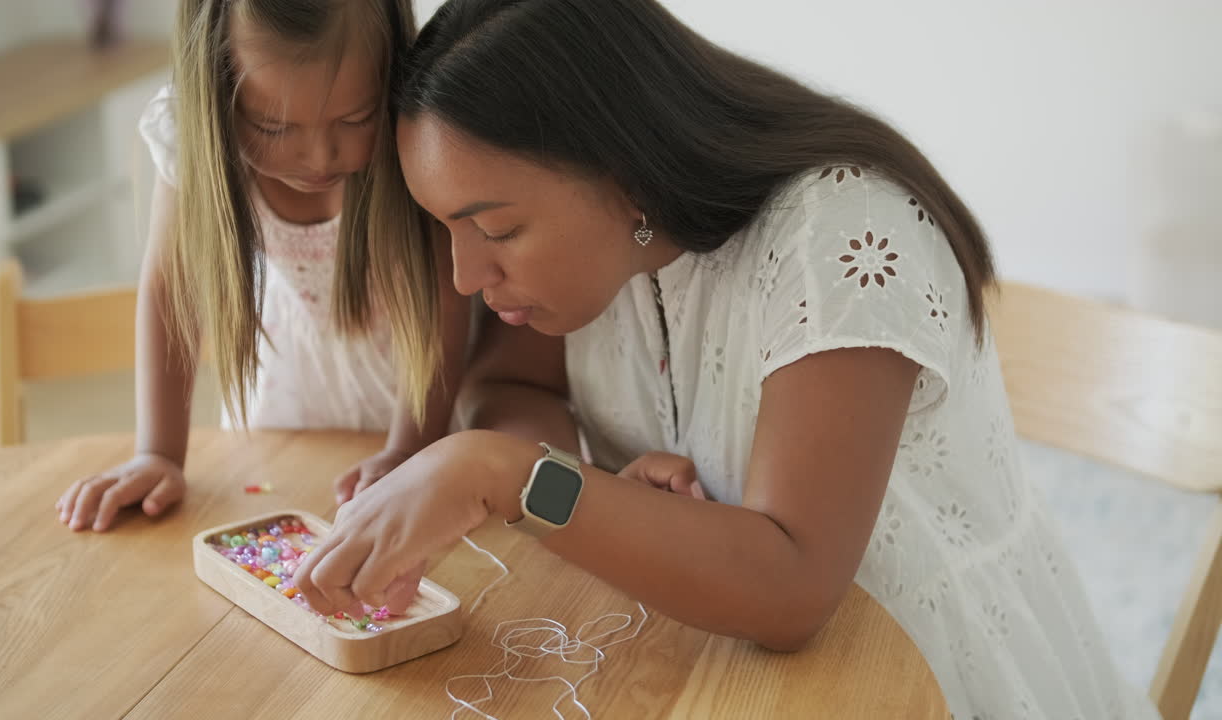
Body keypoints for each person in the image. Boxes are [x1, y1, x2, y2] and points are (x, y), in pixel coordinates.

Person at [295, 1, 1160, 717]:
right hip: (718, 662)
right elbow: (508, 384)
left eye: (494, 229)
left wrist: (511, 474)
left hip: (923, 676)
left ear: (626, 175)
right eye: (445, 228)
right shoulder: (574, 261)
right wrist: (589, 486)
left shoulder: (845, 239)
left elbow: (790, 588)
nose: (466, 274)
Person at [57, 0, 469, 537]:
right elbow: (170, 290)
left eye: (357, 117)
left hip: (425, 409)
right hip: (287, 400)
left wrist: (408, 450)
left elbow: (441, 305)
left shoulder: (423, 122)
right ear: (217, 91)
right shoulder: (194, 134)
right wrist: (157, 453)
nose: (320, 158)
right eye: (275, 128)